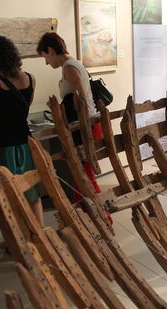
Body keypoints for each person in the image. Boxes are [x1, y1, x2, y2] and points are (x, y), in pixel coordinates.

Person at [36, 32, 112, 224]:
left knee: (85, 175)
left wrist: (63, 110)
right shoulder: (72, 64)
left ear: (51, 51)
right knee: (82, 175)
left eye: (45, 57)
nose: (46, 62)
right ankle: (87, 217)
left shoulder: (69, 67)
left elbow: (82, 101)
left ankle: (103, 218)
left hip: (84, 127)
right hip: (85, 125)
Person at [0, 35, 43, 226]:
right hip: (25, 143)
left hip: (1, 147)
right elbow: (23, 106)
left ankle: (16, 241)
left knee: (4, 195)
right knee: (31, 191)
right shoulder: (30, 79)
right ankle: (39, 234)